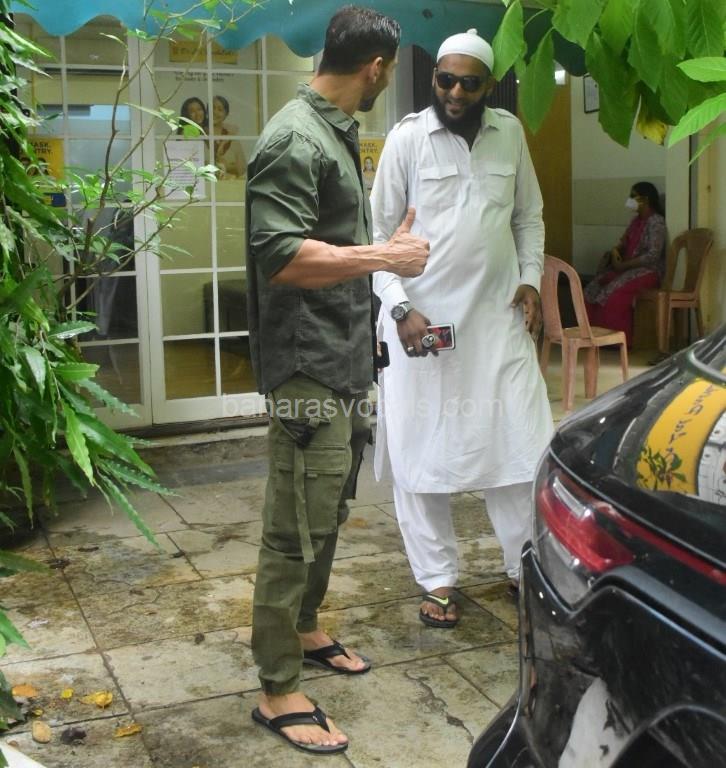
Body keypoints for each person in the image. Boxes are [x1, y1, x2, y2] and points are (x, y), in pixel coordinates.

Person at [246, 5, 429, 755]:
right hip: (306, 367)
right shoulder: (294, 138)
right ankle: (277, 687)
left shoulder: (334, 129)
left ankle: (304, 625)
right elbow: (281, 255)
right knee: (293, 524)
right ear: (376, 67)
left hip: (344, 356)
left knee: (327, 506)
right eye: (391, 71)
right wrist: (386, 258)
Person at [371, 29, 553, 629]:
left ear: (488, 85)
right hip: (421, 326)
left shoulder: (510, 134)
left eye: (468, 83)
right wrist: (400, 308)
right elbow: (377, 238)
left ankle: (524, 567)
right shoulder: (407, 139)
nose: (454, 91)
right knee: (420, 451)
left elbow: (529, 217)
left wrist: (530, 279)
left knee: (520, 443)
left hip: (497, 320)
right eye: (445, 79)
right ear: (434, 79)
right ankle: (438, 579)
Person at [584, 181, 667, 346]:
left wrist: (624, 266)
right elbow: (624, 242)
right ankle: (592, 335)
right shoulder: (636, 221)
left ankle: (617, 341)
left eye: (633, 196)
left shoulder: (656, 222)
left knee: (613, 293)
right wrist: (616, 251)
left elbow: (653, 255)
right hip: (626, 268)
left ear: (645, 199)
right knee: (593, 287)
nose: (629, 200)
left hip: (647, 271)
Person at [211, 94, 246, 178]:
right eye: (212, 108)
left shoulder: (233, 140)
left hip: (228, 185)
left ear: (226, 114)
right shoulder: (200, 136)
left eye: (220, 109)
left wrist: (227, 166)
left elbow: (242, 170)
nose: (215, 112)